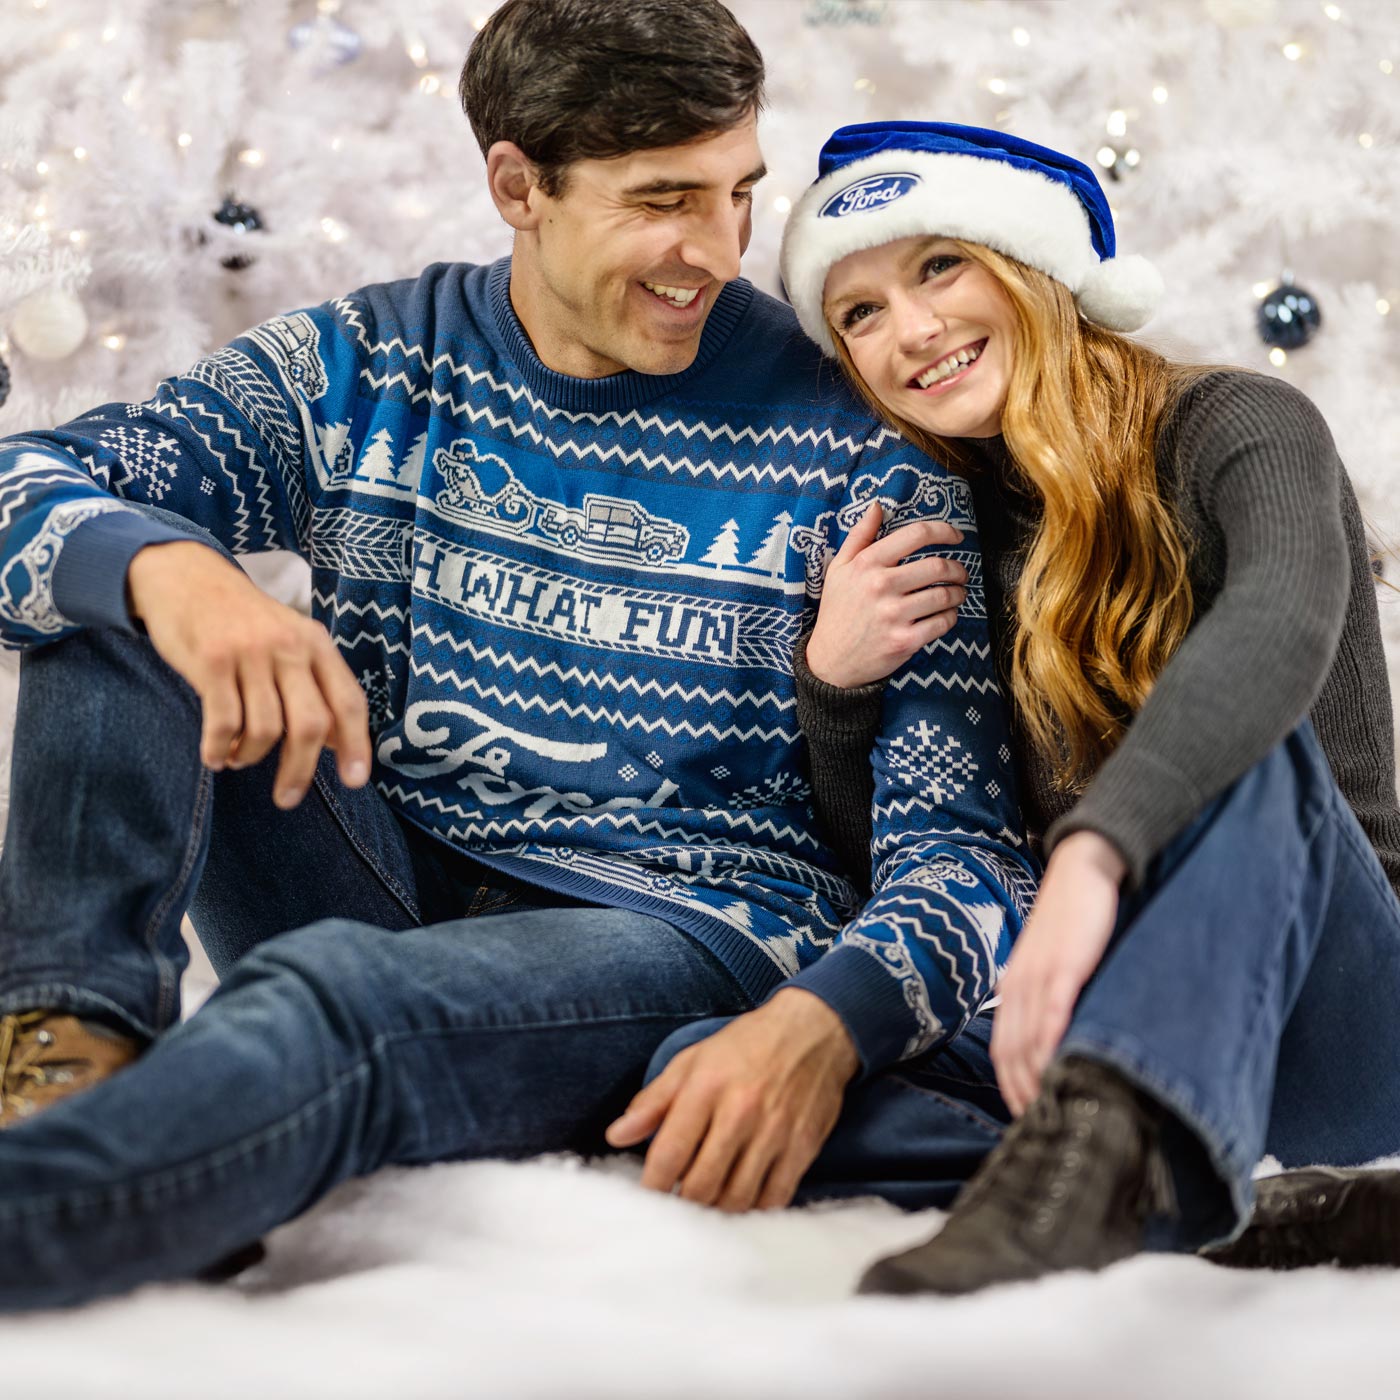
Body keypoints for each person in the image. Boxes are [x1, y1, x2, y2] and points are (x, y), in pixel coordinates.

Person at [0, 2, 1045, 1311]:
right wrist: (173, 572)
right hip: (378, 852)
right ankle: (67, 1059)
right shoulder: (367, 363)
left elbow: (968, 858)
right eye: (663, 200)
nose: (717, 252)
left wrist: (827, 1024)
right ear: (517, 186)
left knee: (337, 1002)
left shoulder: (862, 441)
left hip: (673, 923)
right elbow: (29, 482)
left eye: (736, 194)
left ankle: (64, 1205)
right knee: (115, 582)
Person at [777, 119, 1400, 1295]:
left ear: (1031, 266)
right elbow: (898, 851)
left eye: (937, 266)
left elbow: (1273, 632)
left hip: (1332, 1003)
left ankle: (1117, 1158)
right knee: (754, 1072)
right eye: (858, 312)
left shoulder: (1238, 424)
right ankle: (1198, 1185)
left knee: (1245, 748)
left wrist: (1091, 854)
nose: (910, 329)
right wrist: (838, 682)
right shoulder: (940, 525)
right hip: (1094, 1011)